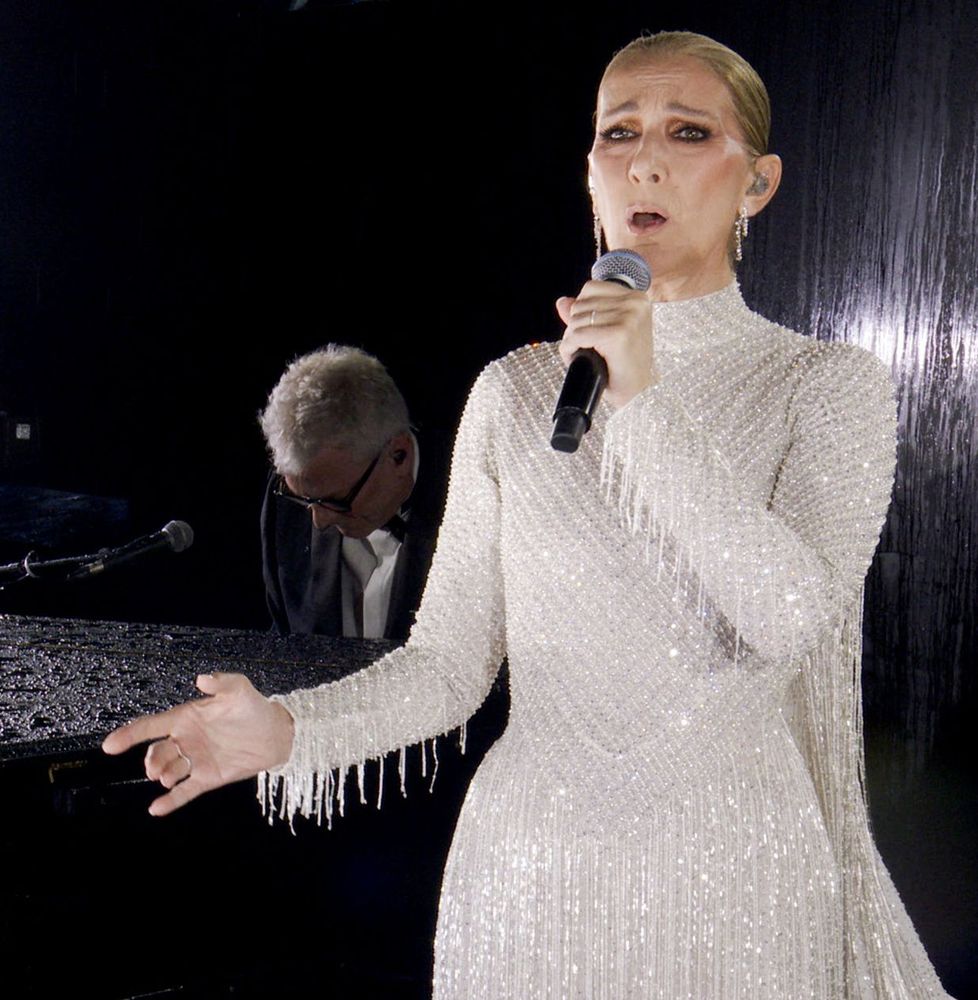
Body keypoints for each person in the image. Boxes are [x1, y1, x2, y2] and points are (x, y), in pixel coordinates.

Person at [104, 31, 954, 999]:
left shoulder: (826, 385)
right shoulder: (514, 392)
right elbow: (449, 665)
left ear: (756, 183)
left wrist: (644, 399)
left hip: (739, 887)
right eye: (618, 131)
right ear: (590, 171)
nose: (645, 158)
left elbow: (789, 614)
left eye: (687, 131)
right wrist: (290, 732)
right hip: (527, 884)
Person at [259, 344, 443, 640]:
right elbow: (286, 643)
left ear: (399, 454)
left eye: (335, 501)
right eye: (305, 499)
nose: (318, 521)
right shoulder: (292, 497)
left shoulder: (476, 504)